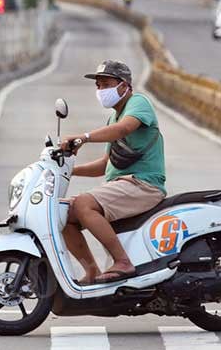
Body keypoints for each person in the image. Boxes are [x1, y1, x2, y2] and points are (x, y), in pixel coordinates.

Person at [60, 60, 166, 284]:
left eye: (106, 84)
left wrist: (84, 138)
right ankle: (92, 271)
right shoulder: (113, 117)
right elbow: (104, 165)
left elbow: (124, 129)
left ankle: (123, 262)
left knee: (82, 204)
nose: (101, 91)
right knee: (62, 213)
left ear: (124, 85)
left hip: (143, 185)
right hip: (122, 185)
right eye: (98, 86)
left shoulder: (138, 103)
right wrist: (68, 170)